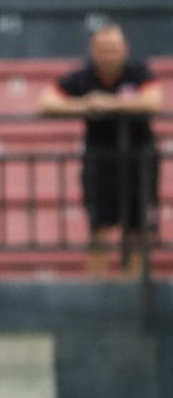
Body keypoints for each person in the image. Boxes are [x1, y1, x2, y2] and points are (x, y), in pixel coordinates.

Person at [38, 24, 163, 279]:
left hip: (138, 159)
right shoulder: (83, 77)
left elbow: (153, 101)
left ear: (125, 50)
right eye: (103, 50)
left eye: (113, 50)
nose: (108, 56)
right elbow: (46, 102)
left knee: (137, 229)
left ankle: (133, 289)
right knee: (99, 227)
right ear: (92, 51)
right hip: (100, 160)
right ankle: (98, 290)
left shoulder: (138, 72)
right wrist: (85, 105)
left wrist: (109, 103)